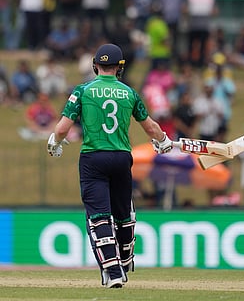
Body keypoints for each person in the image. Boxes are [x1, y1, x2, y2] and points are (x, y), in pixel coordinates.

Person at [47, 43, 173, 288]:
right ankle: (125, 261)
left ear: (95, 66)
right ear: (119, 67)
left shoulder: (82, 91)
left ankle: (113, 272)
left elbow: (62, 128)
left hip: (94, 158)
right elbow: (150, 127)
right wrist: (164, 141)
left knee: (99, 217)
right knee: (124, 215)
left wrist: (55, 142)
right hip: (121, 157)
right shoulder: (129, 93)